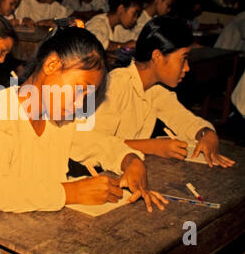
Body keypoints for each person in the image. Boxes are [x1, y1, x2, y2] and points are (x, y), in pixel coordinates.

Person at [0, 26, 168, 254]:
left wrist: (129, 160)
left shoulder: (58, 116)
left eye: (87, 97)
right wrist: (72, 192)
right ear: (51, 65)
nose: (81, 104)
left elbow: (96, 143)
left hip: (31, 233)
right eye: (79, 91)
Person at [93, 16, 235, 168]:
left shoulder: (155, 91)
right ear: (157, 56)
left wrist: (206, 133)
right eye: (183, 59)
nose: (187, 68)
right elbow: (93, 143)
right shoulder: (114, 86)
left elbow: (185, 120)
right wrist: (153, 146)